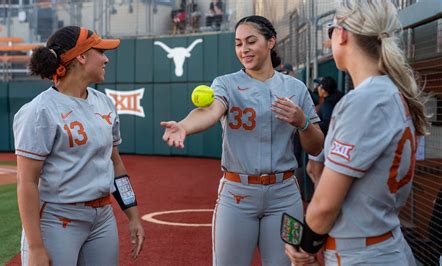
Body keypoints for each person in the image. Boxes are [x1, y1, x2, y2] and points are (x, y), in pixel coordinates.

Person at [161, 15, 324, 265]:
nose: (244, 50)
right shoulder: (226, 84)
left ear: (271, 42)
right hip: (237, 195)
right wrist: (184, 126)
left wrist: (302, 122)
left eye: (251, 41)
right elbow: (210, 111)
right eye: (238, 44)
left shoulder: (295, 87)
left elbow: (316, 146)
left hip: (284, 194)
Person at [284, 1, 429, 265]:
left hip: (363, 253)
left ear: (342, 33)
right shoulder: (390, 91)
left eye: (331, 31)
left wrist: (305, 248)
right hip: (383, 242)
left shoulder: (366, 100)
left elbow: (325, 205)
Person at [14, 26, 145, 266]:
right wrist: (35, 247)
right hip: (57, 220)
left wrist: (133, 215)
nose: (106, 58)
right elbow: (27, 182)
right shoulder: (39, 111)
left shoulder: (104, 103)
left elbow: (115, 164)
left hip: (103, 218)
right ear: (81, 56)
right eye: (100, 51)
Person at [306, 76, 342, 185]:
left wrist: (311, 126)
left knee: (319, 179)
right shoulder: (337, 100)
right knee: (310, 170)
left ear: (324, 89)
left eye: (319, 86)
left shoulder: (327, 105)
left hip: (322, 143)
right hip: (332, 142)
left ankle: (320, 198)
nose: (317, 88)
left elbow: (326, 124)